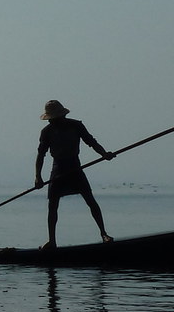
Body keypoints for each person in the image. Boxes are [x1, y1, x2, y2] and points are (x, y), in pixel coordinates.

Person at [34, 100, 115, 248]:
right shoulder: (47, 132)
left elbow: (91, 141)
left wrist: (104, 154)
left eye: (56, 118)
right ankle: (52, 241)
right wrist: (38, 177)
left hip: (74, 166)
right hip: (58, 168)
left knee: (90, 200)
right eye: (52, 119)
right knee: (52, 205)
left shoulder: (76, 126)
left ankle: (104, 233)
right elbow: (41, 155)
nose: (54, 121)